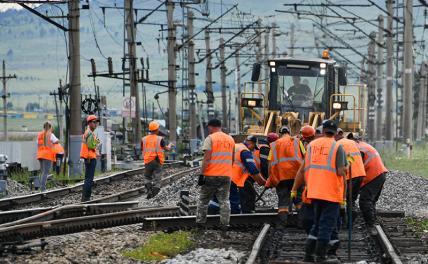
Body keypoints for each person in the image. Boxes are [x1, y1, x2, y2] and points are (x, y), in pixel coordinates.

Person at [301, 120, 347, 263]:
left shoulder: (311, 146)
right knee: (326, 224)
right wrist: (347, 166)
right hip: (330, 192)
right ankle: (321, 257)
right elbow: (341, 171)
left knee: (317, 223)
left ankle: (308, 255)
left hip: (314, 190)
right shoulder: (337, 147)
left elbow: (305, 167)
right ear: (335, 133)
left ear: (323, 130)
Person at [196, 119, 235, 229]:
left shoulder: (210, 138)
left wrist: (202, 174)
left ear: (211, 127)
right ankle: (225, 224)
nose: (208, 129)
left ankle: (200, 223)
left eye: (208, 127)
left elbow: (206, 159)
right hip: (226, 175)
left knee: (204, 200)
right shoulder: (230, 139)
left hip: (211, 175)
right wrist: (227, 171)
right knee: (224, 201)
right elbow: (232, 159)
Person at [266, 126, 304, 223]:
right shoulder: (297, 141)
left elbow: (270, 164)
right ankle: (302, 222)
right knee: (299, 199)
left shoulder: (274, 145)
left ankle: (283, 222)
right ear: (289, 132)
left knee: (283, 201)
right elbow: (305, 157)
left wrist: (270, 178)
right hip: (296, 175)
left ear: (279, 134)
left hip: (281, 176)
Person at [351, 135, 388, 233]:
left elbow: (355, 169)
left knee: (365, 201)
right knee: (371, 201)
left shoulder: (357, 149)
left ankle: (371, 225)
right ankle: (372, 220)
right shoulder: (364, 146)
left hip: (373, 175)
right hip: (380, 174)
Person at [232, 135, 266, 213]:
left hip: (226, 175)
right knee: (248, 196)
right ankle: (246, 216)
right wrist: (262, 181)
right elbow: (253, 169)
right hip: (236, 178)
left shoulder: (236, 146)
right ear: (252, 143)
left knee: (231, 200)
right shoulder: (245, 151)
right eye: (254, 147)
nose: (253, 150)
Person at [141, 121, 173, 199]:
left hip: (147, 161)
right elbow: (167, 149)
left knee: (147, 177)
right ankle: (153, 195)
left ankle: (149, 190)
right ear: (157, 129)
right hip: (157, 161)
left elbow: (142, 149)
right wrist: (170, 145)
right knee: (157, 179)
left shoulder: (144, 139)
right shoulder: (160, 139)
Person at [80, 115, 100, 202]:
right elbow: (91, 145)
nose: (96, 124)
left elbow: (94, 143)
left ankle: (85, 198)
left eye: (97, 122)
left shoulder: (89, 132)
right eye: (94, 122)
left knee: (88, 178)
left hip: (89, 157)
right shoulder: (89, 133)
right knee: (89, 179)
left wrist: (96, 142)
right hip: (90, 158)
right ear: (89, 123)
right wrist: (96, 145)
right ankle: (86, 198)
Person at [36, 121, 58, 191]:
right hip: (47, 155)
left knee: (42, 171)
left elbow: (38, 143)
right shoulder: (50, 134)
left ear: (43, 127)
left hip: (40, 154)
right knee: (45, 172)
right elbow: (56, 141)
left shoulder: (40, 135)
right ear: (50, 127)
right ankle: (43, 188)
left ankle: (40, 186)